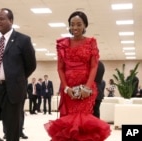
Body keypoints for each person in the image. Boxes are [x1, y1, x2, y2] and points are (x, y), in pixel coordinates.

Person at [44, 11, 110, 141]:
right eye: (72, 24)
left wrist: (87, 87)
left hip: (87, 89)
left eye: (79, 24)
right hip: (69, 89)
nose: (75, 28)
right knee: (68, 122)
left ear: (85, 25)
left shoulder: (91, 42)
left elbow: (94, 66)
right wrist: (66, 87)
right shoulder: (62, 44)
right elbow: (60, 68)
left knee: (84, 122)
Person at [0, 8, 36, 141]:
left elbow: (31, 65)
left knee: (11, 130)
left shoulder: (23, 40)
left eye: (2, 19)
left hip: (12, 91)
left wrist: (15, 79)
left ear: (11, 20)